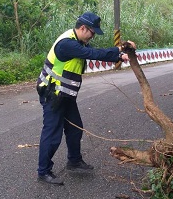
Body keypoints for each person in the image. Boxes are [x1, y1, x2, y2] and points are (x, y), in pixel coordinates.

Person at [36, 12, 136, 185]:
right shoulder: (67, 44)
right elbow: (93, 53)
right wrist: (119, 50)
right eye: (92, 32)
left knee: (75, 128)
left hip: (65, 95)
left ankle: (74, 161)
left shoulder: (76, 40)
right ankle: (43, 171)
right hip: (53, 95)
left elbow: (90, 52)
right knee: (52, 134)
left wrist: (120, 53)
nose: (93, 36)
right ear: (83, 28)